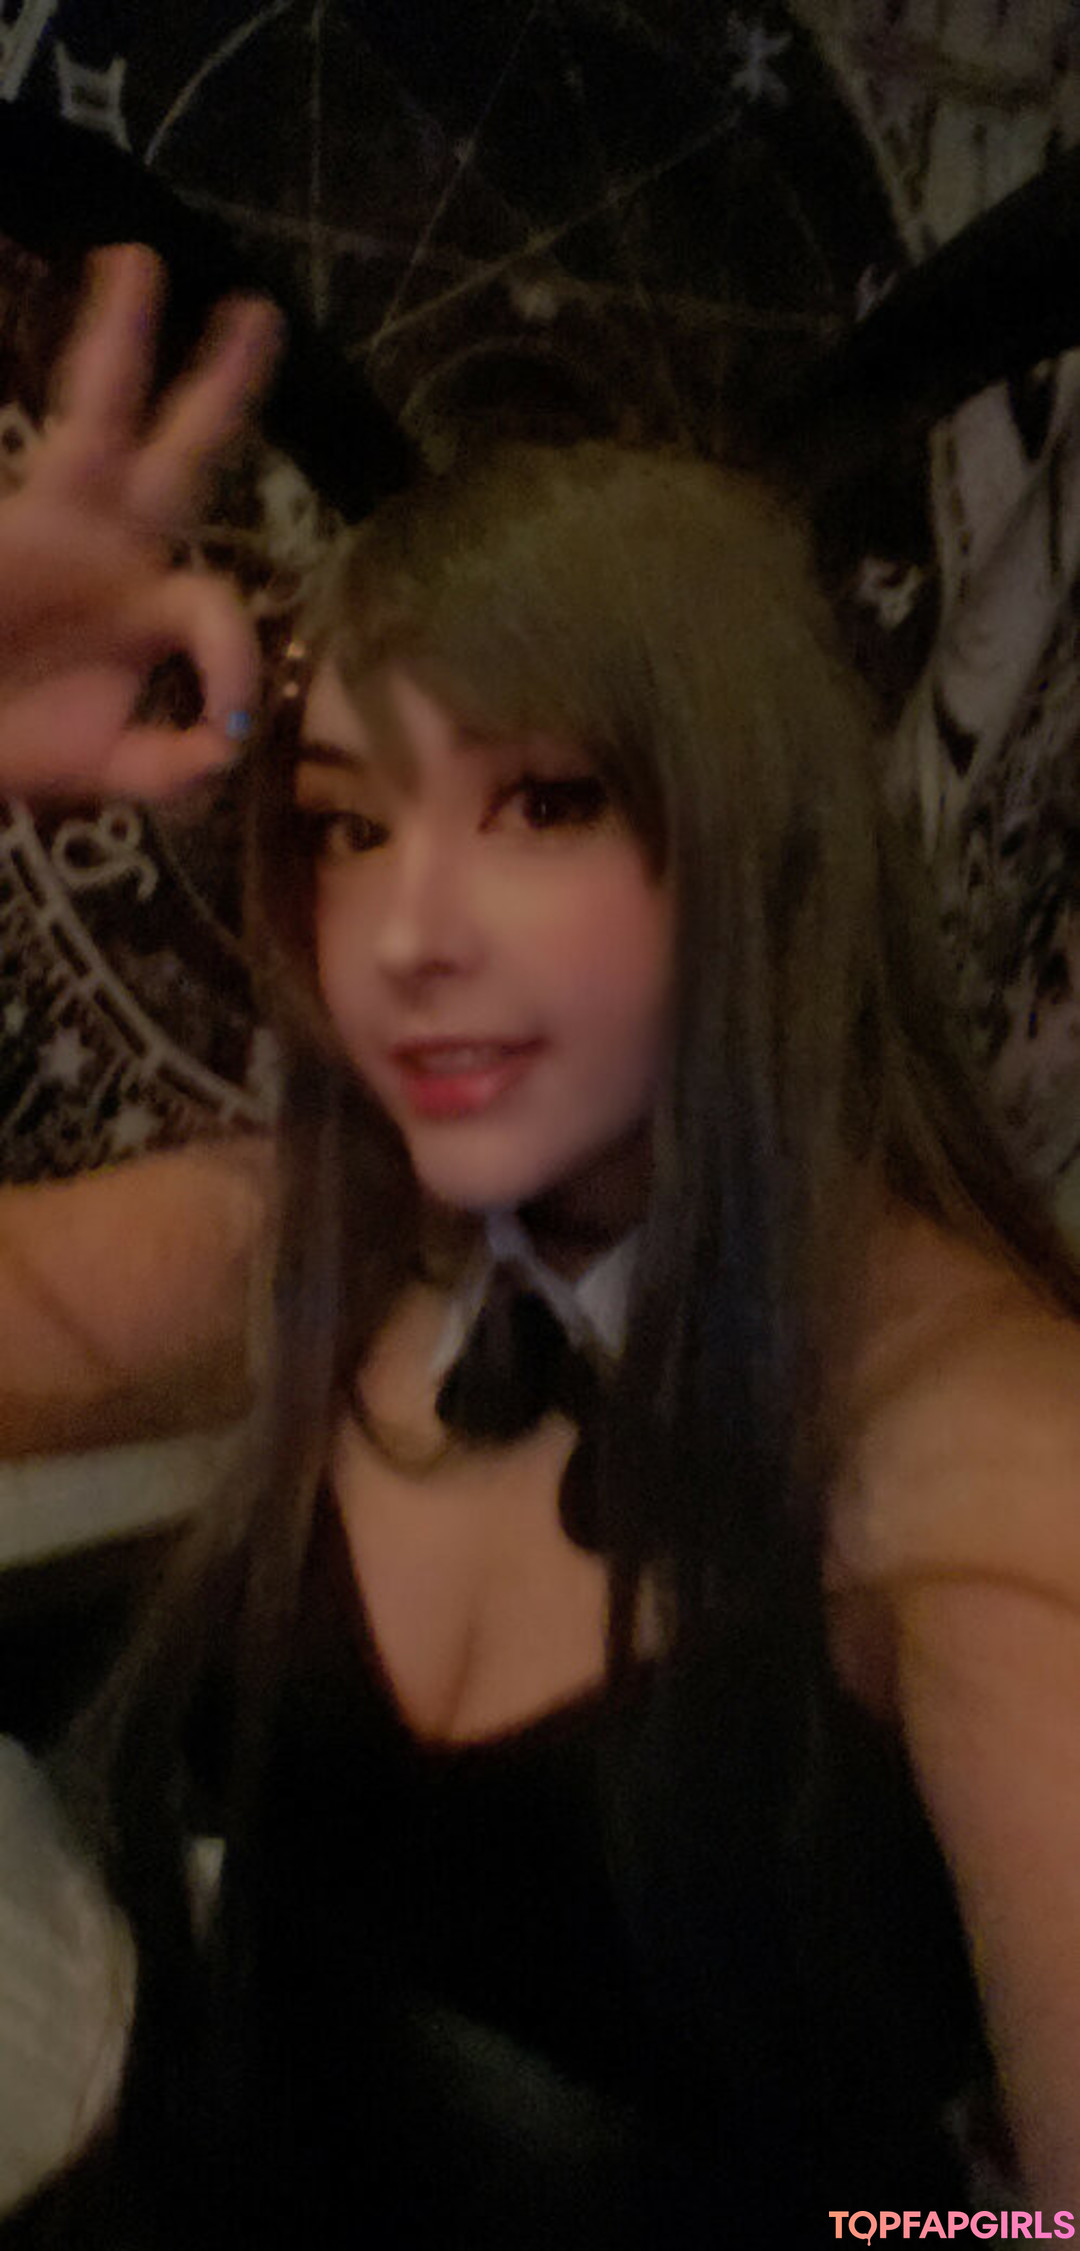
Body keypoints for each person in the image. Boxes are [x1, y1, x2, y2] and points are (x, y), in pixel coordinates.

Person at [1, 244, 1080, 2248]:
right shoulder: (330, 1241)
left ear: (763, 848)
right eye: (350, 821)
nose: (406, 934)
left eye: (544, 802)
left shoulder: (993, 1464)